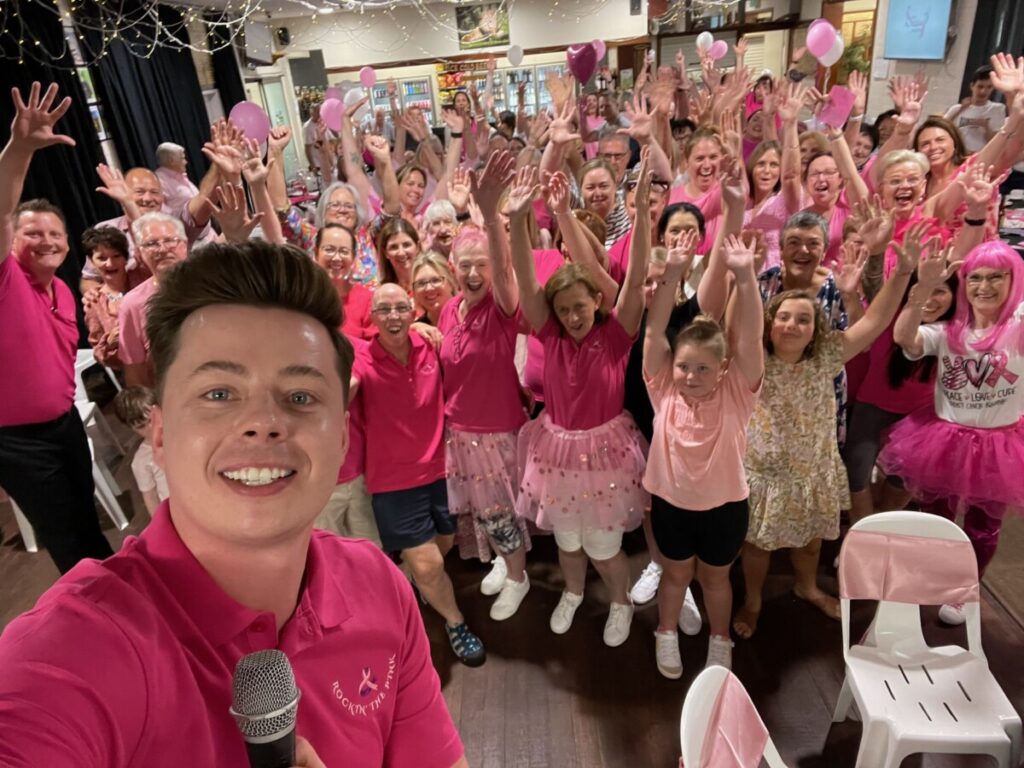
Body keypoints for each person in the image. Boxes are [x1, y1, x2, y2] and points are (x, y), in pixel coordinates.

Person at [0, 239, 468, 767]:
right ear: (158, 432)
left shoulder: (380, 585)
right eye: (219, 393)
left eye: (300, 397)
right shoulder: (74, 655)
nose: (264, 422)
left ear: (340, 437)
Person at [733, 241, 917, 640]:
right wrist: (744, 275)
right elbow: (738, 324)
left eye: (803, 319)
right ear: (769, 323)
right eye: (783, 317)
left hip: (814, 472)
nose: (792, 325)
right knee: (757, 548)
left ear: (816, 329)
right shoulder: (755, 362)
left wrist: (902, 274)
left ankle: (808, 585)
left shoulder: (827, 356)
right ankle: (753, 599)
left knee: (813, 543)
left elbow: (876, 321)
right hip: (765, 477)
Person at [508, 154, 654, 648]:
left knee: (603, 543)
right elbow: (527, 284)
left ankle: (620, 601)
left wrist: (639, 213)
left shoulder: (616, 334)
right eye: (564, 309)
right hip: (557, 449)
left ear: (596, 301)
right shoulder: (548, 330)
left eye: (580, 307)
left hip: (606, 450)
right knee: (567, 539)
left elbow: (634, 281)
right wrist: (515, 220)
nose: (572, 317)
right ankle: (572, 592)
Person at [0, 82, 114, 574]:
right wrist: (20, 148)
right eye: (32, 234)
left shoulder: (65, 291)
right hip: (18, 440)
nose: (45, 241)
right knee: (67, 538)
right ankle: (99, 617)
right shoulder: (7, 278)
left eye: (55, 234)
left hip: (64, 422)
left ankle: (111, 591)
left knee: (86, 521)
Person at [880, 240, 1024, 626]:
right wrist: (923, 290)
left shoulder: (1019, 327)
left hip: (1002, 444)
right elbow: (905, 339)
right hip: (945, 438)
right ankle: (935, 575)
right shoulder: (949, 332)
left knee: (983, 524)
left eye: (997, 277)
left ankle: (965, 589)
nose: (985, 286)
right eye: (975, 277)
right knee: (936, 516)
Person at [644, 231, 764, 678]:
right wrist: (673, 272)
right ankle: (666, 631)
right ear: (671, 366)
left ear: (722, 370)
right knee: (675, 577)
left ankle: (720, 638)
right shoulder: (663, 390)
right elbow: (656, 330)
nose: (691, 376)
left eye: (703, 369)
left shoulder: (737, 392)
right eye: (684, 366)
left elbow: (750, 340)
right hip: (673, 508)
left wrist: (746, 279)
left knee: (715, 579)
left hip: (725, 509)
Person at [351, 283, 487, 667]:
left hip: (441, 471)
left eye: (399, 308)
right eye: (383, 310)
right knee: (430, 565)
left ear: (412, 311)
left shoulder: (431, 345)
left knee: (444, 544)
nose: (393, 316)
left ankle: (425, 583)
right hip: (392, 483)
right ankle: (456, 622)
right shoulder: (361, 357)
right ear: (373, 318)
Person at [438, 154, 532, 620]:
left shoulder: (501, 307)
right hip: (460, 432)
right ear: (451, 266)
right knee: (485, 512)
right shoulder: (447, 309)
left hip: (496, 432)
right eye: (465, 265)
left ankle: (519, 575)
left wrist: (493, 218)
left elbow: (507, 269)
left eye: (482, 265)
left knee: (499, 511)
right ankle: (502, 558)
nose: (474, 274)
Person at [118, 212, 190, 387]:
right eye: (151, 244)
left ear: (185, 245)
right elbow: (135, 369)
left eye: (170, 240)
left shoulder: (213, 286)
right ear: (139, 253)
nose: (162, 249)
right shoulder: (132, 304)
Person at [80, 225, 145, 367]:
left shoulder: (142, 278)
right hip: (132, 370)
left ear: (126, 258)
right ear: (92, 261)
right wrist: (110, 343)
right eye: (101, 258)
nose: (109, 263)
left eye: (116, 256)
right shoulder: (94, 302)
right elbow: (99, 353)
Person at [113, 386, 168, 515]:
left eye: (153, 419)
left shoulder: (184, 435)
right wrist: (160, 525)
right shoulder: (141, 461)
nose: (152, 427)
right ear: (130, 428)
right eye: (142, 426)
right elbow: (150, 496)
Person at [313, 223, 374, 340]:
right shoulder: (303, 297)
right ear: (316, 253)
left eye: (344, 251)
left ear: (353, 257)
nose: (336, 258)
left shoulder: (367, 299)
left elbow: (373, 348)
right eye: (329, 250)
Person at [944, 66, 1006, 155]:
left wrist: (986, 127)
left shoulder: (997, 109)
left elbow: (996, 143)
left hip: (981, 157)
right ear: (972, 86)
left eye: (989, 87)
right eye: (980, 86)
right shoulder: (956, 108)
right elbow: (941, 127)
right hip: (958, 155)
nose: (983, 91)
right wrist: (961, 109)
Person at [411, 252, 457, 325]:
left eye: (435, 280)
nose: (429, 288)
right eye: (421, 283)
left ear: (451, 282)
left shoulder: (467, 318)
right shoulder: (416, 331)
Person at [154, 141, 199, 213]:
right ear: (172, 161)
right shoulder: (158, 181)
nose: (186, 162)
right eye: (182, 158)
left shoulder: (181, 176)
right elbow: (162, 213)